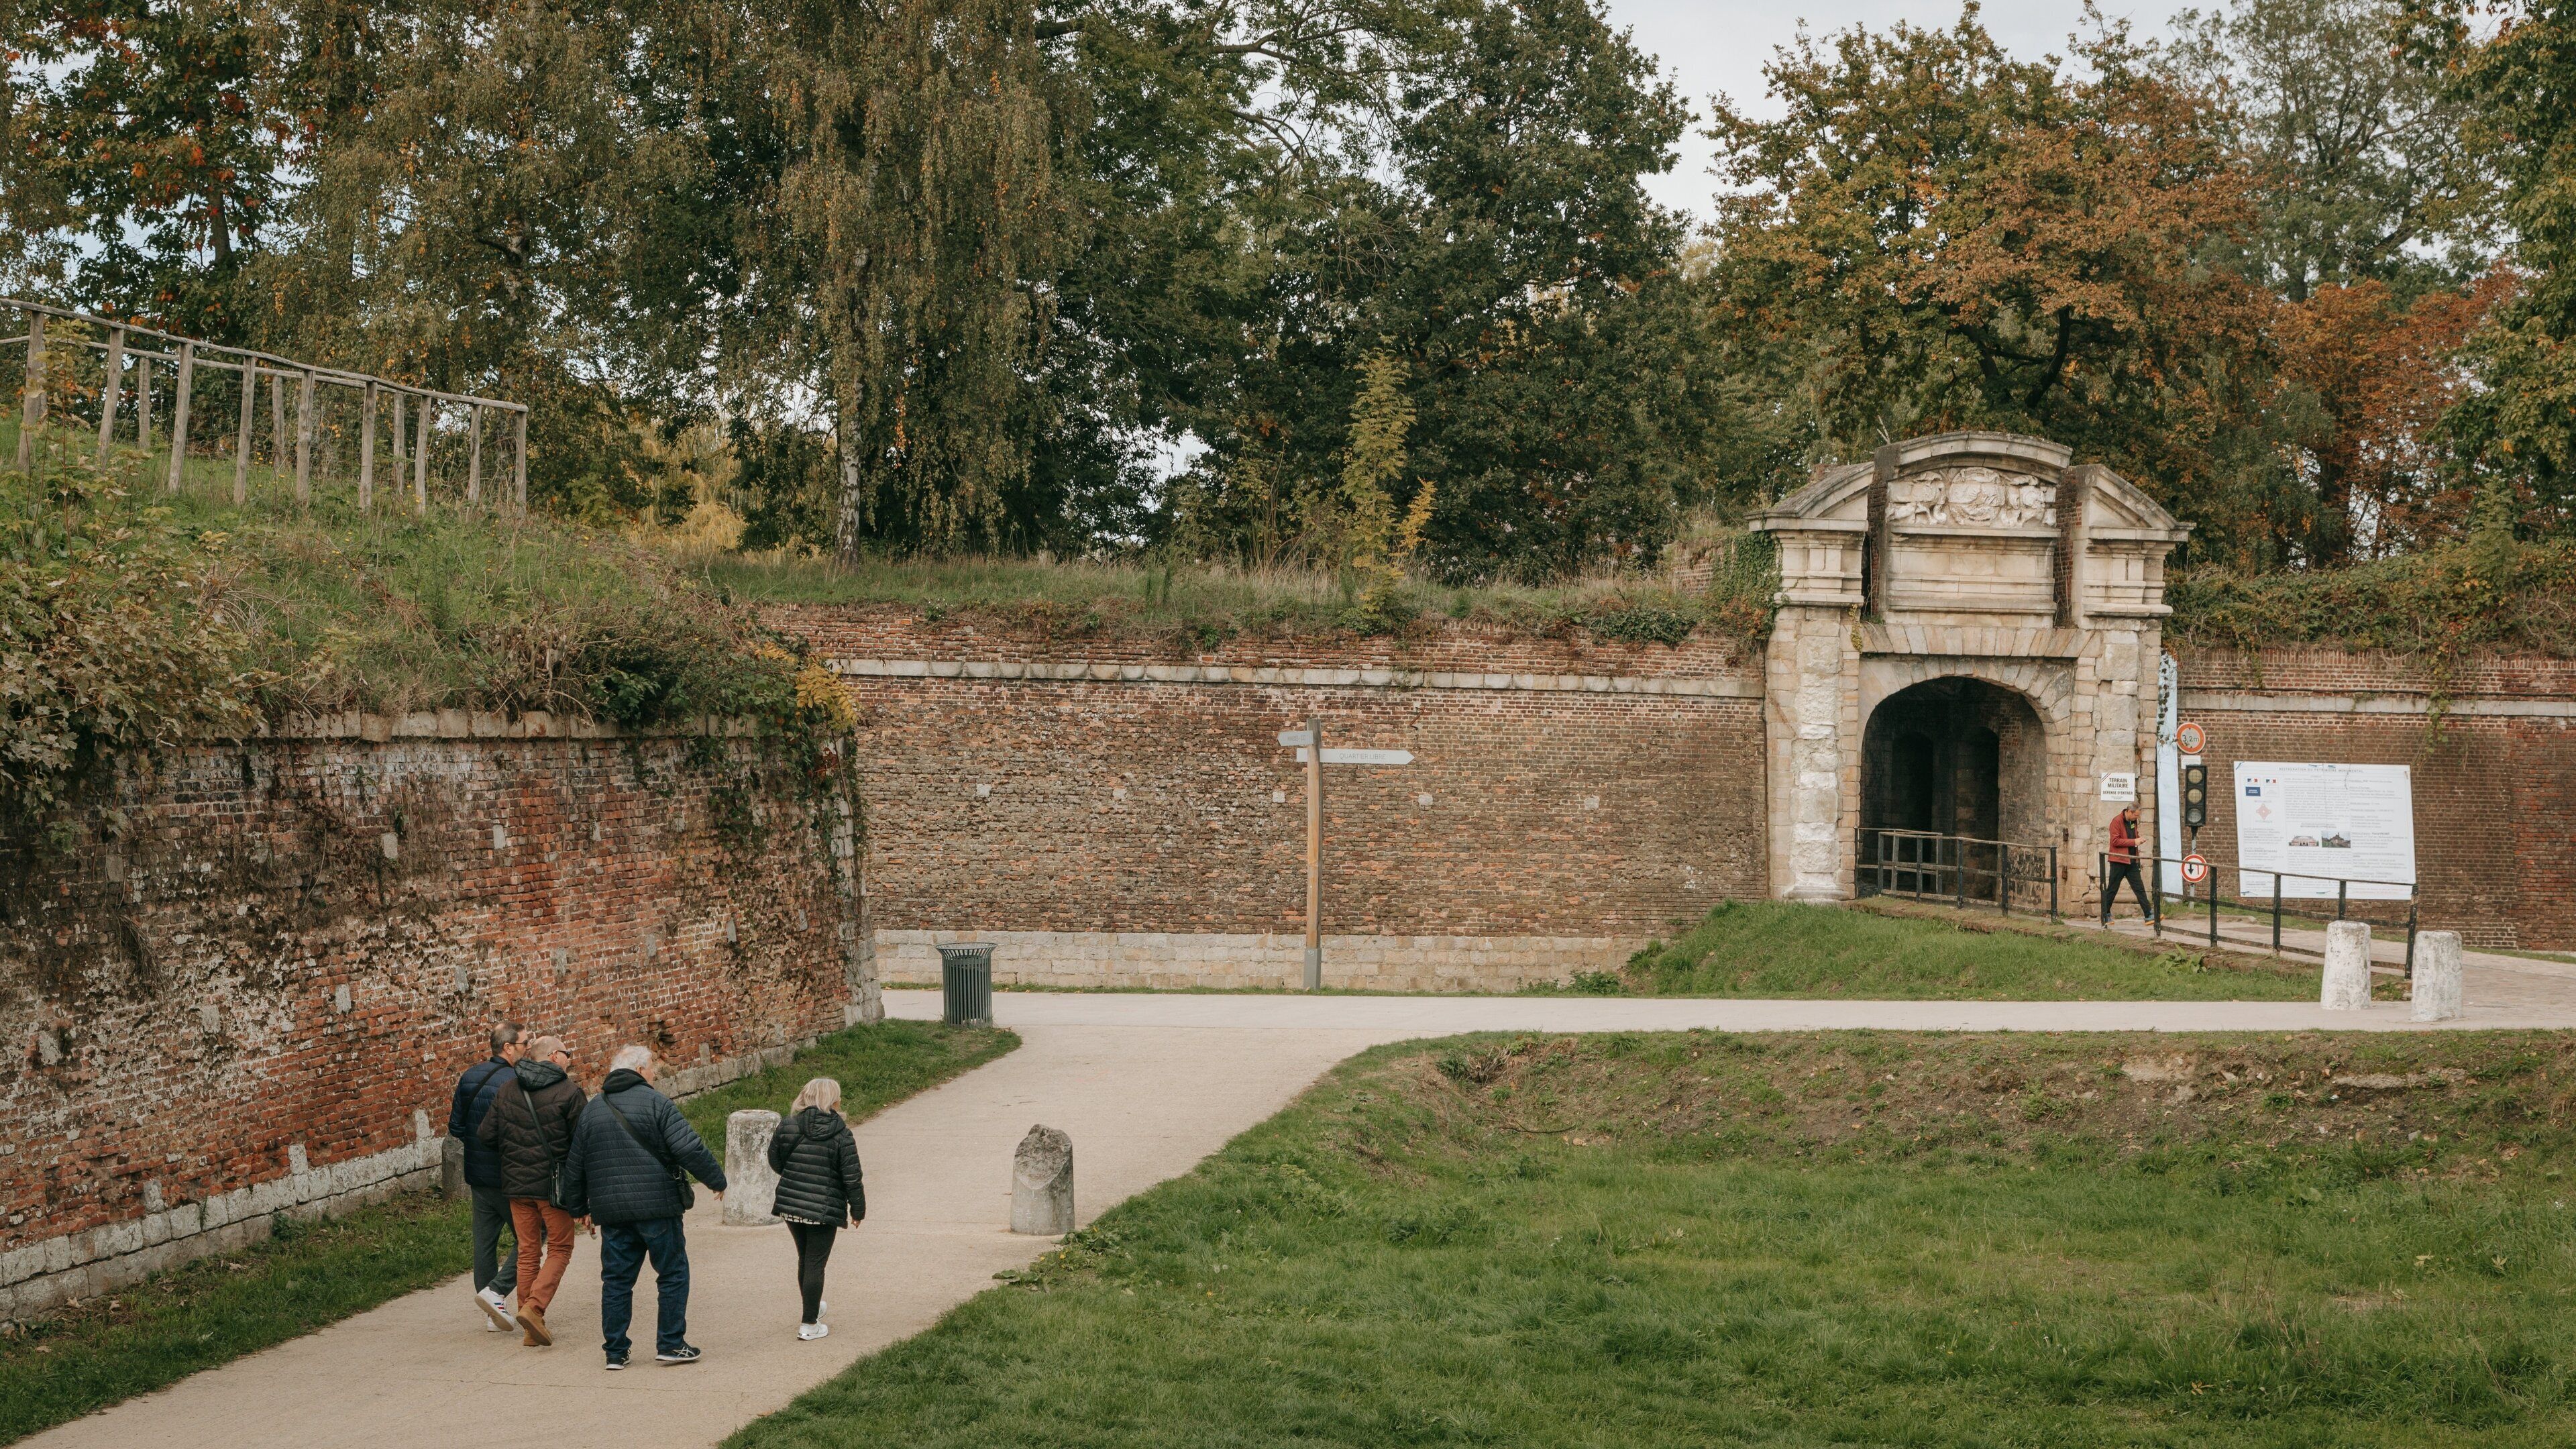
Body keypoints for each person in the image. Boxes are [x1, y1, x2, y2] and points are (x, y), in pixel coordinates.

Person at [559, 1044, 727, 1371]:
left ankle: (615, 1352)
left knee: (617, 1281)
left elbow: (575, 1163)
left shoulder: (593, 1109)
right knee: (673, 1273)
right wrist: (716, 1180)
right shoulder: (656, 1102)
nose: (654, 1074)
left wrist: (578, 1208)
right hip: (658, 1207)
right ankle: (671, 1343)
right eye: (651, 1068)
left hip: (613, 1212)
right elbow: (688, 1147)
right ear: (638, 1071)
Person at [477, 1033, 587, 1347]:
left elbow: (486, 1135)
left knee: (528, 1251)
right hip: (553, 1188)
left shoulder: (508, 1089)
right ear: (554, 1056)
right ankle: (534, 1309)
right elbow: (583, 1144)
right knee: (561, 1248)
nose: (569, 1058)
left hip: (515, 1185)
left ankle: (530, 1330)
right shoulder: (569, 1092)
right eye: (567, 1053)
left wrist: (515, 1152)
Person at [766, 1077, 867, 1340]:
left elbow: (774, 1160)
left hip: (791, 1204)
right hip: (824, 1208)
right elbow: (852, 1178)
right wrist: (858, 1211)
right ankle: (809, 1324)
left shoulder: (788, 1125)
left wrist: (795, 1177)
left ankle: (812, 1307)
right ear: (833, 1101)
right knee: (815, 1263)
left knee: (805, 1258)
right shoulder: (842, 1134)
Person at [446, 1022, 523, 1332]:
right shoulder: (516, 1081)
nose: (527, 1049)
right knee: (533, 1237)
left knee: (484, 1243)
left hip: (478, 1176)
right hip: (509, 1175)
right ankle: (497, 1292)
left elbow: (456, 1127)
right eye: (524, 1044)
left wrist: (478, 1148)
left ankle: (492, 1313)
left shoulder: (469, 1077)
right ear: (508, 1047)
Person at [2103, 803, 2159, 926]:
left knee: (2139, 888)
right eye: (2136, 816)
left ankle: (2149, 914)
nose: (2137, 818)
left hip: (2132, 860)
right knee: (2112, 889)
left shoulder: (2133, 822)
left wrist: (2139, 839)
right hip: (2119, 860)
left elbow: (2133, 835)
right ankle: (2105, 913)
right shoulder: (2116, 822)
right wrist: (2134, 841)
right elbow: (2115, 841)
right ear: (2129, 812)